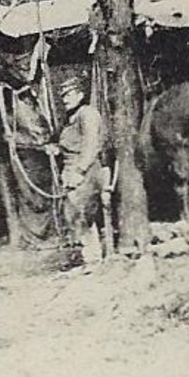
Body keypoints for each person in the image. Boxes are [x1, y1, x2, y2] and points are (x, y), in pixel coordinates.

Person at [52, 77, 106, 263]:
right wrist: (56, 150)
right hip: (71, 171)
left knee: (84, 214)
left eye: (69, 94)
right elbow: (71, 143)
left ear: (81, 95)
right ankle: (86, 255)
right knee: (73, 215)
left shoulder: (87, 114)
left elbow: (91, 145)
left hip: (86, 171)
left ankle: (93, 257)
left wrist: (80, 171)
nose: (64, 99)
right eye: (63, 96)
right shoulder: (71, 119)